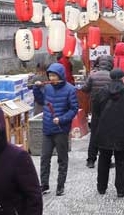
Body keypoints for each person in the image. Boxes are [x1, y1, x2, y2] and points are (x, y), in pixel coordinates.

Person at [33, 63, 79, 196]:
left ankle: (60, 185)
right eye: (50, 75)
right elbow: (41, 101)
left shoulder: (70, 89)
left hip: (61, 129)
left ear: (60, 75)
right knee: (44, 158)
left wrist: (62, 119)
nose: (52, 78)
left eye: (54, 75)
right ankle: (44, 184)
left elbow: (74, 109)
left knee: (62, 158)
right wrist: (36, 89)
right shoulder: (47, 88)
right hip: (47, 128)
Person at [93, 69, 124, 198]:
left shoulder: (102, 92)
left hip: (104, 130)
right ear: (122, 78)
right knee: (121, 160)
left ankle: (101, 187)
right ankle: (121, 189)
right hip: (122, 131)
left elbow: (96, 111)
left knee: (103, 159)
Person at [81, 55, 114, 168]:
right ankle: (107, 161)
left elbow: (84, 89)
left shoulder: (93, 75)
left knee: (94, 134)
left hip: (95, 107)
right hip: (109, 108)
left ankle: (91, 160)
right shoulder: (112, 76)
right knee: (107, 135)